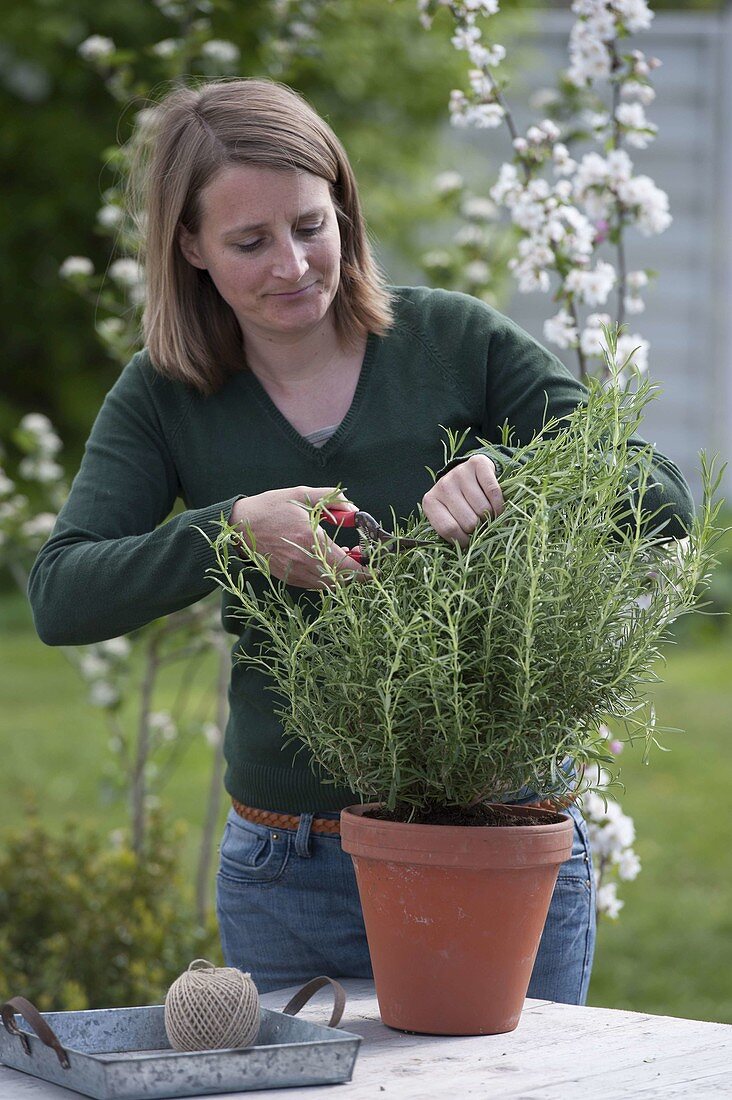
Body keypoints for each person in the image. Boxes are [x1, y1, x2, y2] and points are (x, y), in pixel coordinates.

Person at [28, 78, 694, 1002]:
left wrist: (514, 476)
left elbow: (662, 495)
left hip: (498, 838)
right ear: (190, 249)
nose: (293, 265)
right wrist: (231, 531)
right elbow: (61, 596)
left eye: (310, 225)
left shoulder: (454, 340)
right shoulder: (164, 395)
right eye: (249, 242)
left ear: (343, 205)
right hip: (290, 868)